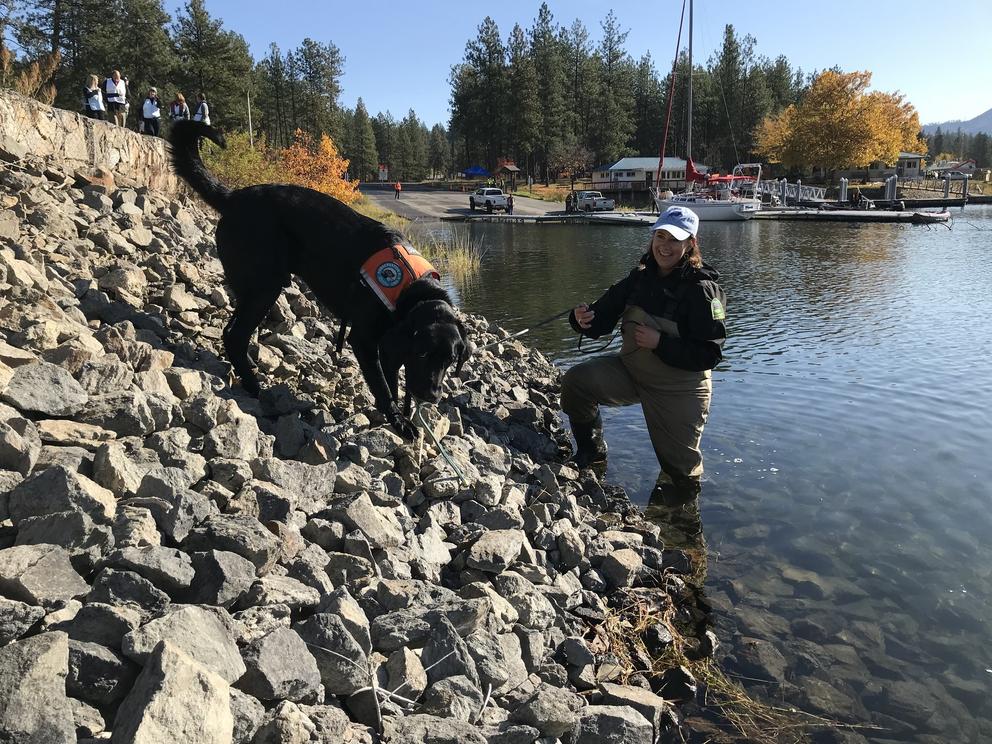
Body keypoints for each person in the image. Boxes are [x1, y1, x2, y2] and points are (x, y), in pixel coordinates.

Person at [560, 205, 726, 493]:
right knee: (576, 382)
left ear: (691, 244)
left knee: (680, 473)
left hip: (680, 388)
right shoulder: (638, 278)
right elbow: (600, 320)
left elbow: (709, 355)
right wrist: (580, 320)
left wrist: (660, 342)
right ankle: (592, 452)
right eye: (660, 236)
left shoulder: (704, 291)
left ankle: (683, 528)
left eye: (675, 239)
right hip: (632, 373)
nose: (665, 246)